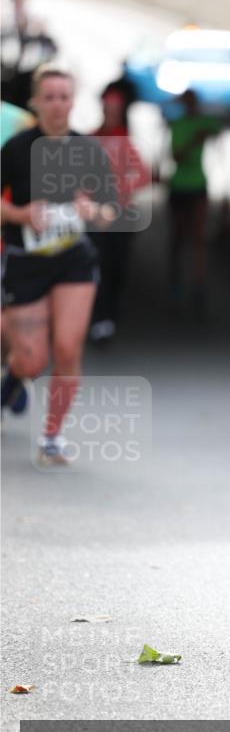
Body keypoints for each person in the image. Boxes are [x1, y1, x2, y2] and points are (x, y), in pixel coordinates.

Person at [1, 65, 117, 464]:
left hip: (73, 260)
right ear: (35, 102)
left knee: (67, 347)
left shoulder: (87, 149)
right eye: (48, 97)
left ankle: (52, 436)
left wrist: (92, 209)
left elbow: (111, 210)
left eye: (63, 97)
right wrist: (19, 215)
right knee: (31, 359)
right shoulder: (17, 148)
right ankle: (14, 376)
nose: (56, 105)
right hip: (25, 262)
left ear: (73, 101)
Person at [89, 81, 150, 343]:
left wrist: (122, 187)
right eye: (107, 107)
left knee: (117, 266)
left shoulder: (124, 140)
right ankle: (99, 318)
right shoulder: (91, 138)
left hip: (122, 214)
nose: (109, 111)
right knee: (97, 264)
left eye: (114, 108)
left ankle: (111, 314)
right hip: (95, 214)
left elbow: (144, 175)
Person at [166, 89, 223, 314]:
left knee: (199, 237)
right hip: (179, 185)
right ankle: (175, 281)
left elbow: (223, 123)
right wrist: (194, 139)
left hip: (198, 185)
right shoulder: (178, 125)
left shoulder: (203, 122)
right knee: (178, 237)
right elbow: (176, 156)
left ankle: (198, 284)